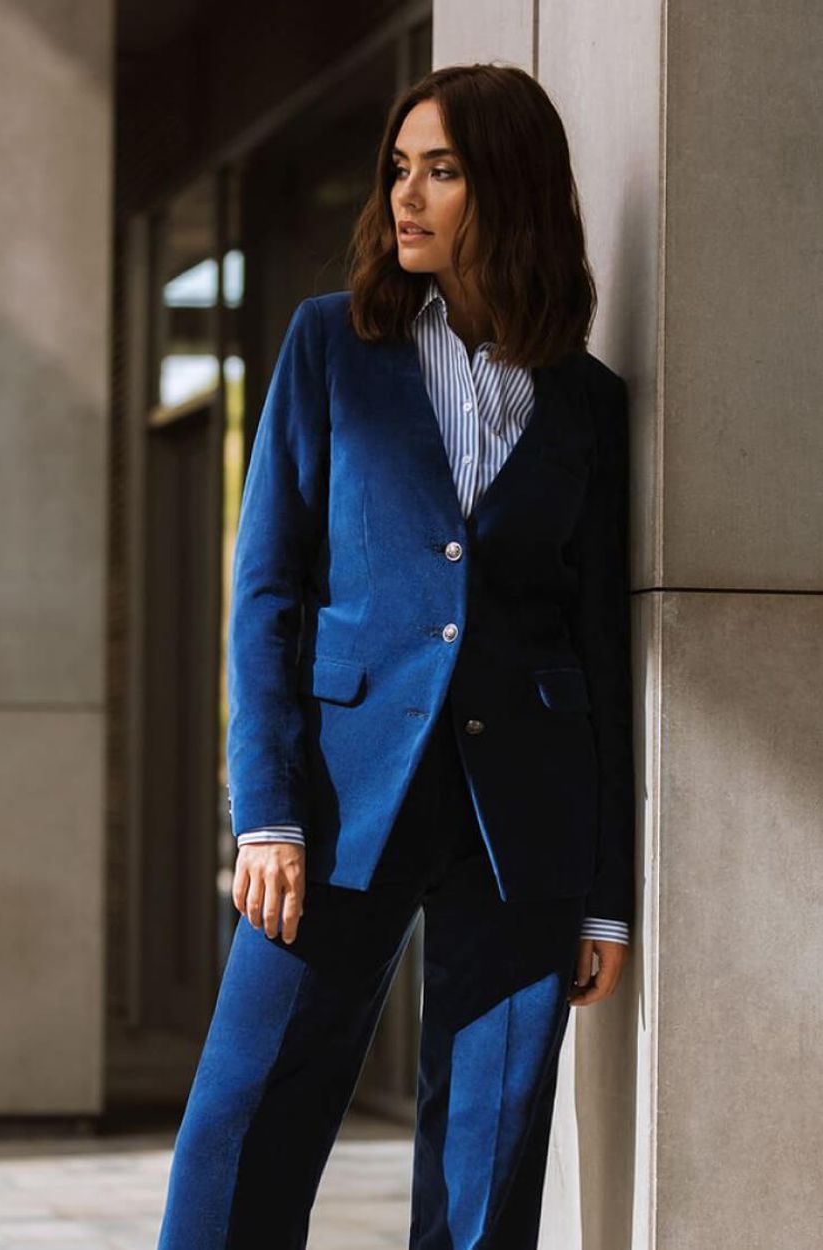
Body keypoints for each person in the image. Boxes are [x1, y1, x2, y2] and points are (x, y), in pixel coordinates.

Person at [156, 61, 635, 1250]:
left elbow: (601, 646)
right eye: (397, 168)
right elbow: (266, 591)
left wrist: (608, 895)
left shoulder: (585, 402)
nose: (405, 197)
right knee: (247, 1119)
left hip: (523, 818)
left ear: (510, 187)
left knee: (490, 1160)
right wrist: (264, 811)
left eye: (443, 169)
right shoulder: (332, 346)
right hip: (335, 794)